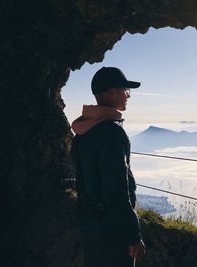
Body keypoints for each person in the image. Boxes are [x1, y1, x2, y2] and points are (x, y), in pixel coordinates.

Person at [70, 66, 145, 267]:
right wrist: (133, 236)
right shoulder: (112, 133)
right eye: (125, 90)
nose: (128, 96)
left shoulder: (82, 132)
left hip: (89, 223)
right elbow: (115, 191)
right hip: (111, 228)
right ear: (112, 93)